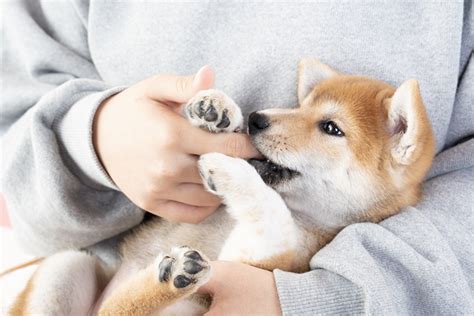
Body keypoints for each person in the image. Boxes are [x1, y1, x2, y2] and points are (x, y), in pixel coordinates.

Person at [2, 1, 473, 314]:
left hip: (272, 292)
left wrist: (327, 298)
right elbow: (14, 125)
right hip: (99, 265)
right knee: (65, 272)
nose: (267, 120)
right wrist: (91, 139)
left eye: (329, 129)